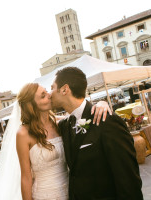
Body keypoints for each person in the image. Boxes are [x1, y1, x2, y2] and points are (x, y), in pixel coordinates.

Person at [0, 82, 111, 200]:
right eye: (43, 96)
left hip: (71, 193)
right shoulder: (23, 134)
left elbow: (84, 115)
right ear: (32, 106)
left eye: (46, 91)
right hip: (43, 195)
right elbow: (26, 177)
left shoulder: (61, 124)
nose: (49, 95)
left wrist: (102, 103)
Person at [51, 67, 143, 200]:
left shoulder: (107, 120)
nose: (50, 93)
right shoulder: (65, 125)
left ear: (65, 89)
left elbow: (128, 177)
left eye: (52, 87)